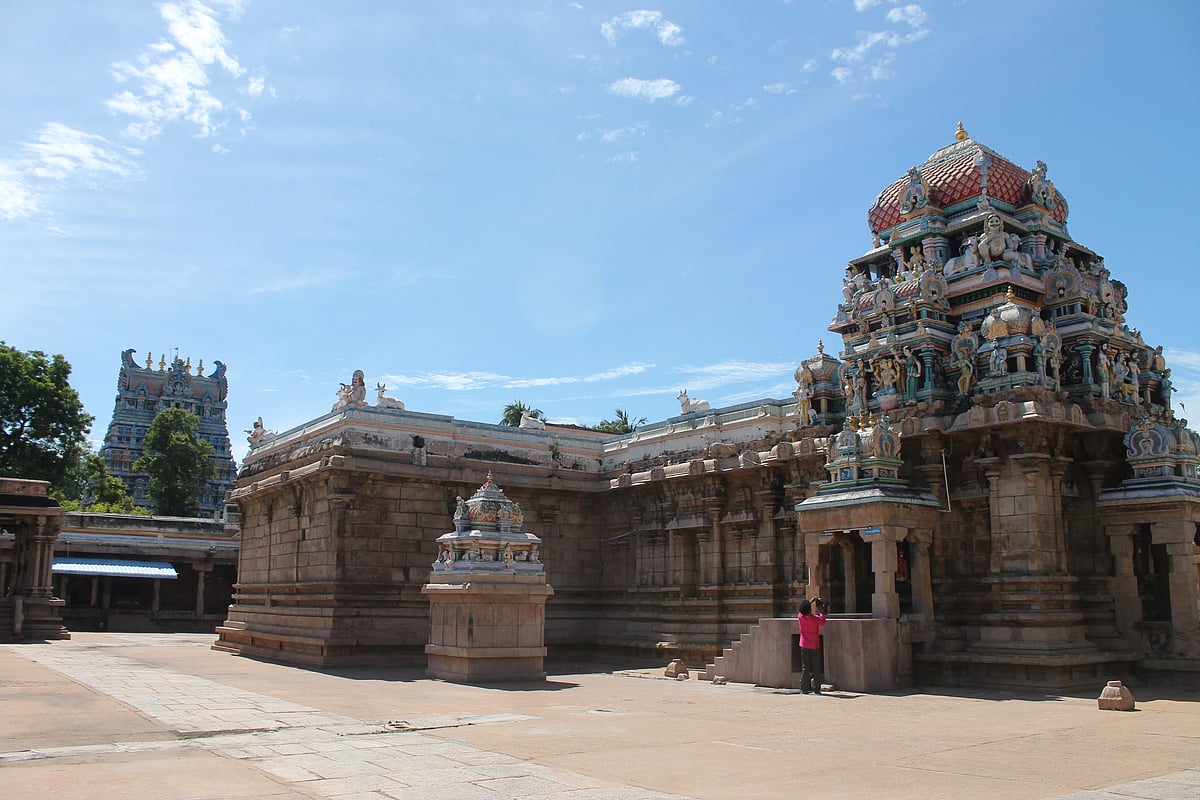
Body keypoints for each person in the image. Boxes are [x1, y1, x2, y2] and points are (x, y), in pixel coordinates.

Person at [797, 596, 827, 695]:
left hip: (804, 645)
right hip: (814, 645)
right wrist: (821, 609)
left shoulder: (800, 617)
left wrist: (810, 601)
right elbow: (823, 621)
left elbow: (802, 609)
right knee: (816, 667)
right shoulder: (814, 619)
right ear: (809, 610)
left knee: (805, 667)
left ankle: (804, 688)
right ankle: (817, 688)